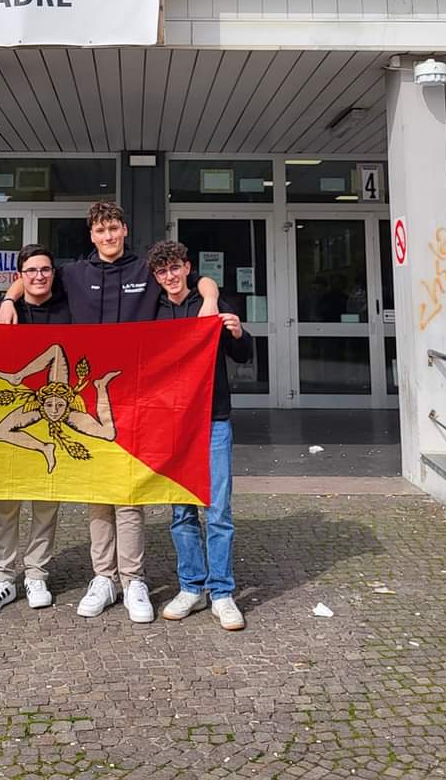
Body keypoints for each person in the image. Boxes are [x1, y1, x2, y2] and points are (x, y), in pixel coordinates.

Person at [0, 203, 219, 625]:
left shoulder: (145, 271)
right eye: (100, 230)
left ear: (124, 230)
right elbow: (34, 278)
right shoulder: (74, 273)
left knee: (128, 490)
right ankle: (104, 577)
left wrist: (209, 297)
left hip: (137, 394)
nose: (108, 236)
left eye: (114, 228)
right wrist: (9, 299)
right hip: (87, 398)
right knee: (97, 491)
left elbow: (197, 278)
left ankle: (133, 580)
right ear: (92, 236)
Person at [149, 238, 252, 633]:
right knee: (181, 512)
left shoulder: (212, 303)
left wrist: (238, 332)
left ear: (188, 268)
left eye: (175, 268)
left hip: (213, 419)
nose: (170, 276)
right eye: (162, 271)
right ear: (156, 277)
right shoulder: (152, 311)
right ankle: (191, 586)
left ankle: (221, 592)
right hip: (172, 423)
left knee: (219, 510)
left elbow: (243, 355)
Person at [0, 244, 71, 617]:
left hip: (55, 407)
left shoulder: (69, 310)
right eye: (31, 270)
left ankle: (36, 574)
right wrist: (7, 301)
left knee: (46, 502)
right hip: (22, 405)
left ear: (53, 273)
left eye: (45, 269)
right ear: (20, 276)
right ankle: (2, 578)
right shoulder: (1, 312)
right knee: (5, 499)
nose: (39, 276)